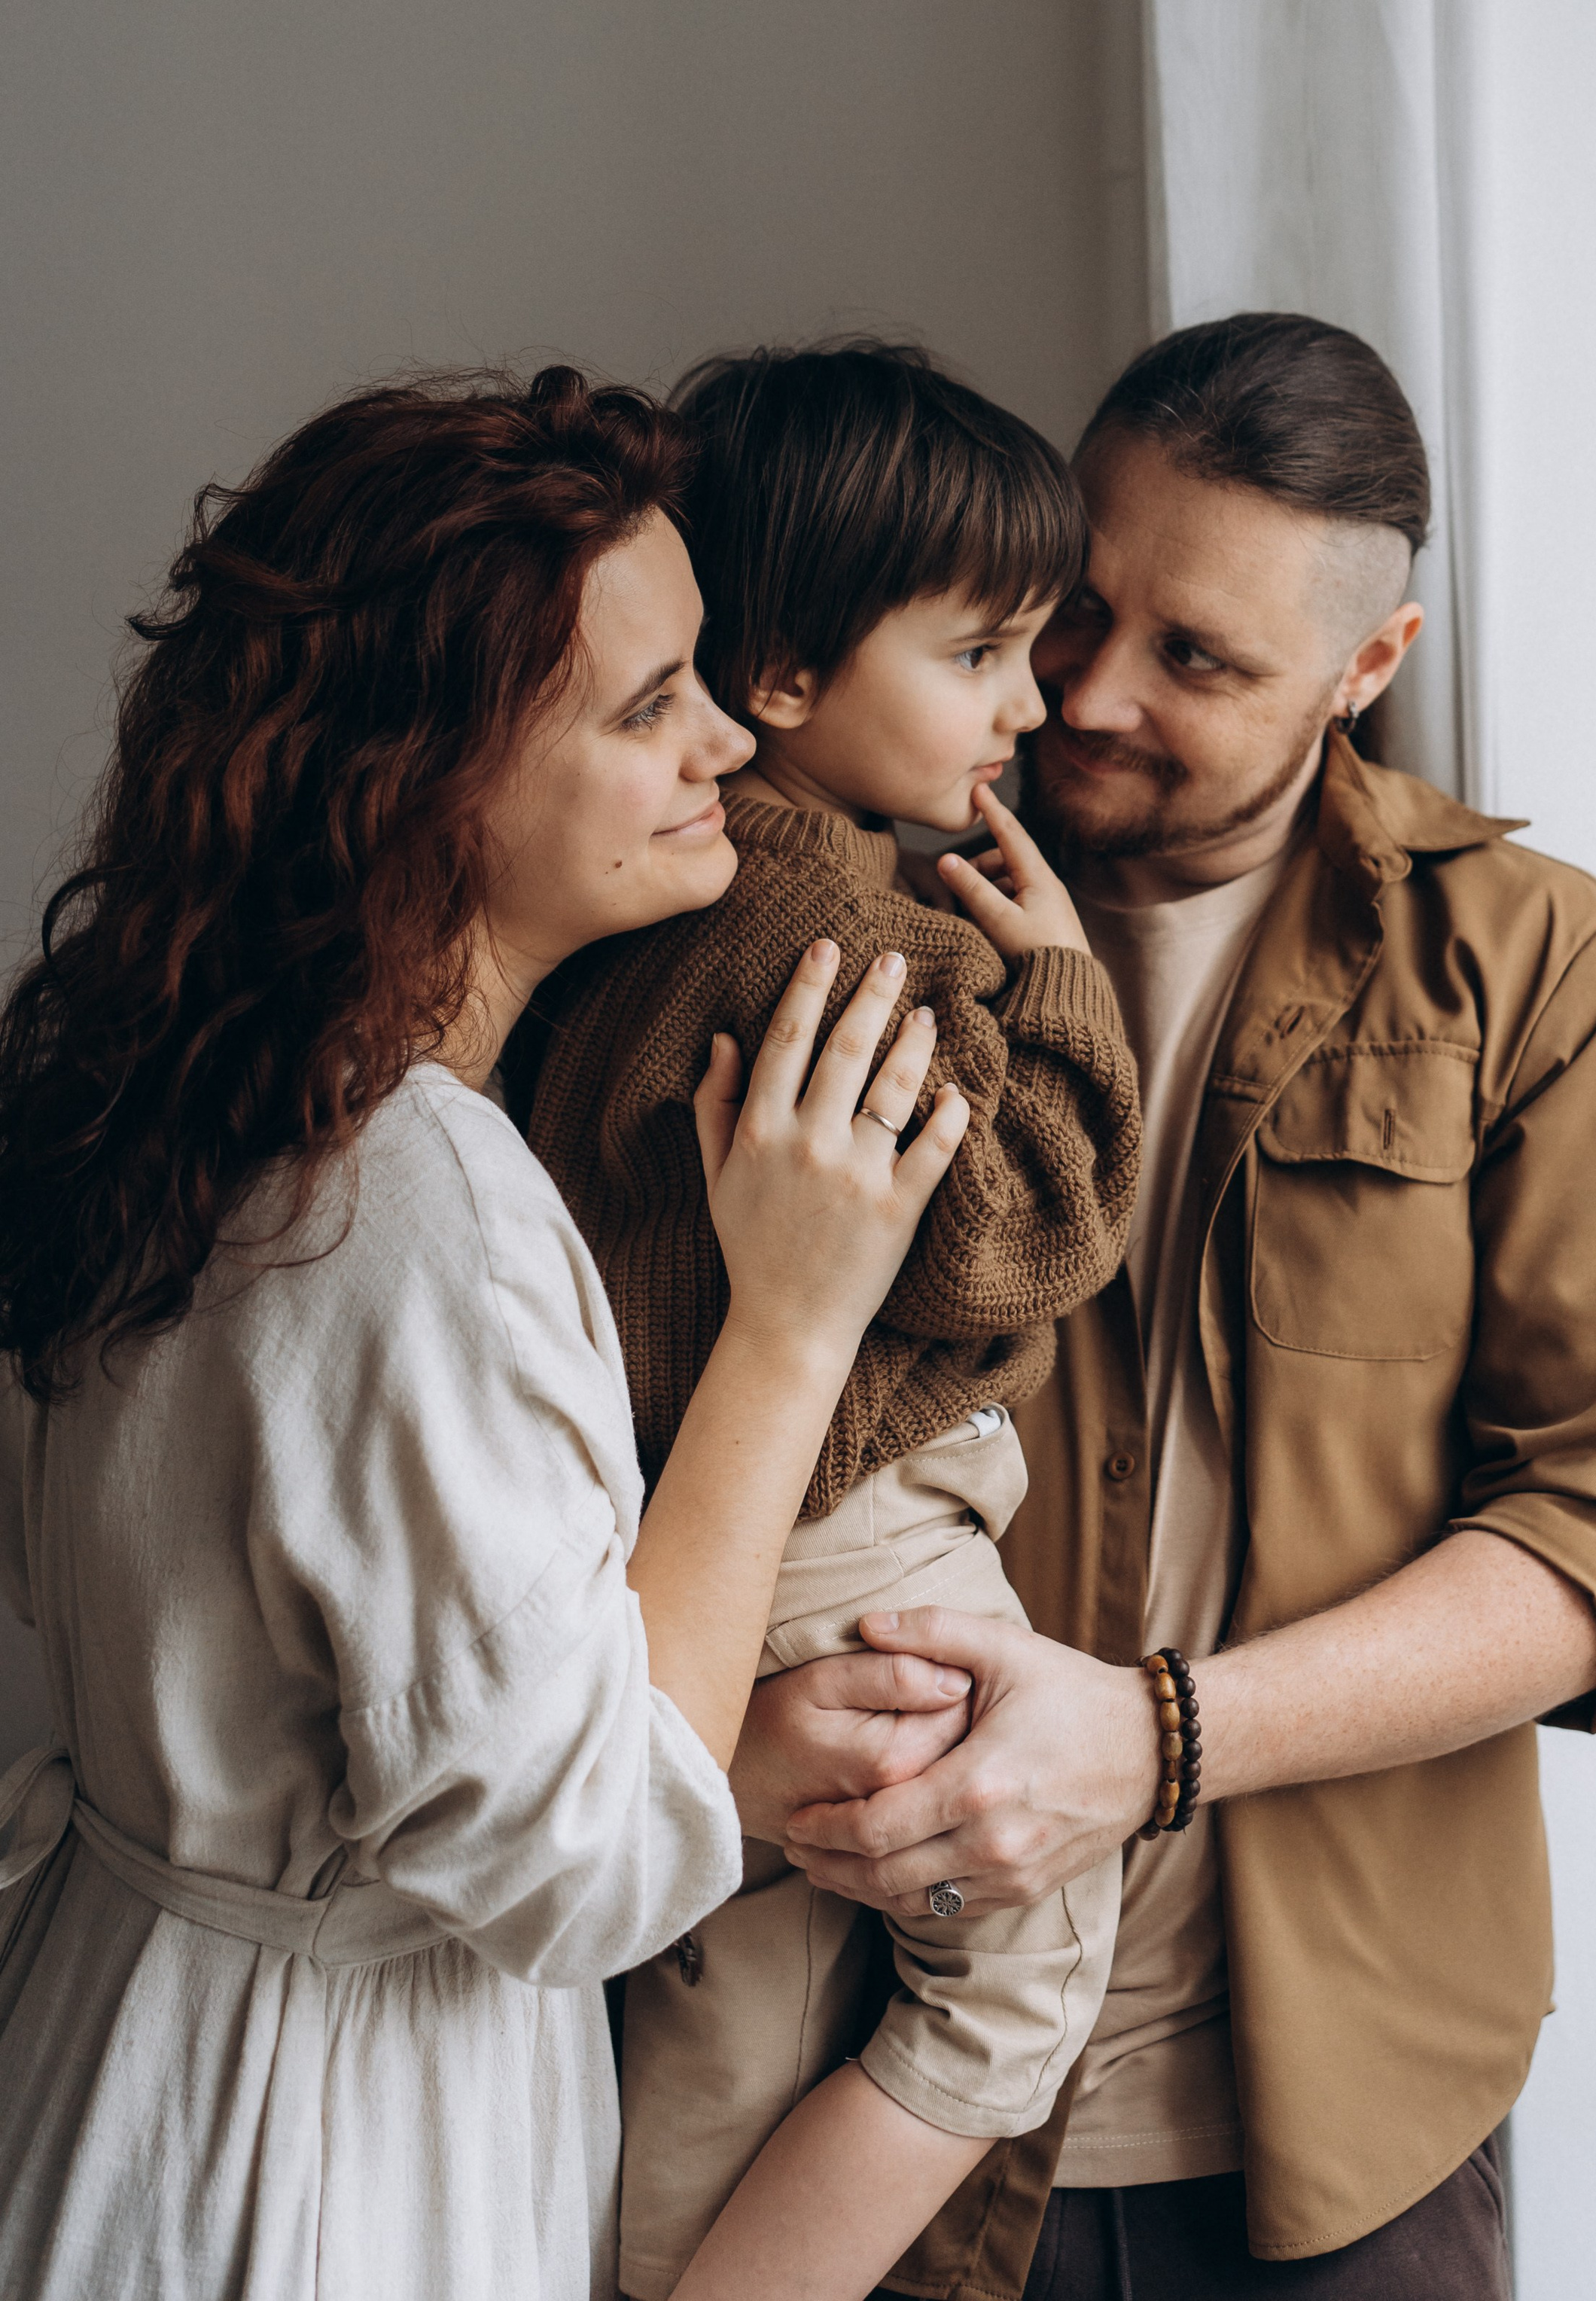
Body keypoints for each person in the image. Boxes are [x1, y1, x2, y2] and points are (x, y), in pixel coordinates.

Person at [735, 314, 1596, 2299]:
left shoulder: (1534, 967)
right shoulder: (824, 913)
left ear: (1372, 667)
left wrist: (1157, 1739)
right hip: (842, 2080)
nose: (1092, 694)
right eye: (1081, 609)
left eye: (1199, 659)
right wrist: (730, 1739)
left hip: (1344, 2128)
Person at [0, 366, 970, 2301]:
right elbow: (585, 1864)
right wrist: (789, 1325)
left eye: (703, 674)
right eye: (646, 708)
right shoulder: (417, 1196)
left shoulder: (162, 1076)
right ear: (431, 782)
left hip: (105, 2058)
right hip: (310, 2167)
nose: (724, 745)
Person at [516, 345, 1139, 2301]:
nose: (1032, 704)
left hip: (714, 1515)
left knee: (743, 1971)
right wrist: (1061, 993)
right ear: (784, 682)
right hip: (823, 1523)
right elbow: (1008, 1232)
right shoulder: (841, 944)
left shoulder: (687, 901)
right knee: (1019, 1970)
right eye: (981, 653)